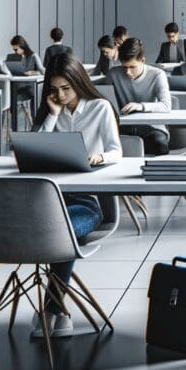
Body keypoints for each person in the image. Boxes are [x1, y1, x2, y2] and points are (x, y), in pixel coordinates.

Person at [32, 53, 120, 338]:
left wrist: (100, 156)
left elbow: (117, 151)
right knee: (58, 230)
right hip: (47, 199)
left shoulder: (100, 108)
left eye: (66, 89)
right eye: (54, 89)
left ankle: (52, 308)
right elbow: (33, 151)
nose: (59, 95)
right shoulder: (51, 110)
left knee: (63, 231)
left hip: (85, 201)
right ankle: (58, 309)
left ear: (78, 82)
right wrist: (52, 116)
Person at [110, 37, 173, 156]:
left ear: (143, 60)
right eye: (124, 67)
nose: (128, 72)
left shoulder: (158, 75)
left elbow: (166, 105)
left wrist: (140, 106)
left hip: (152, 128)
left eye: (132, 67)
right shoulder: (113, 74)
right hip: (123, 127)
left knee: (159, 144)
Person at [8, 35, 45, 110]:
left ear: (22, 46)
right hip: (17, 86)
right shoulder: (14, 57)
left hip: (29, 87)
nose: (15, 52)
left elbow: (43, 72)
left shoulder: (33, 56)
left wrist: (32, 73)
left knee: (12, 98)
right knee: (6, 96)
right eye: (14, 50)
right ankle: (4, 121)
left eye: (16, 49)